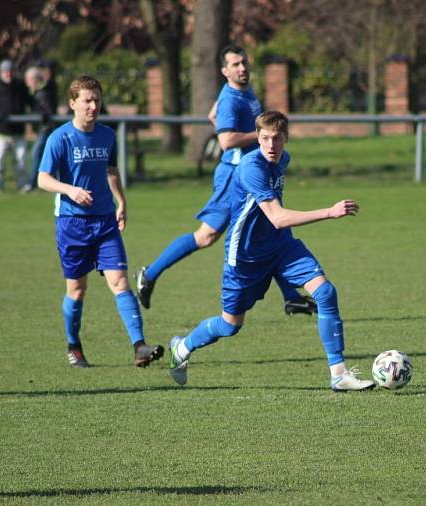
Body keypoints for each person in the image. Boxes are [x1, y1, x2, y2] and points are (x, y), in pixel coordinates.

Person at [166, 111, 375, 392]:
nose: (271, 145)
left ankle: (339, 373)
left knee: (325, 293)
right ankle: (183, 347)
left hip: (281, 246)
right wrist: (329, 212)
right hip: (245, 257)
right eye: (264, 138)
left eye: (277, 139)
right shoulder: (251, 168)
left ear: (286, 138)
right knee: (230, 325)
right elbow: (276, 216)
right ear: (258, 138)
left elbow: (275, 224)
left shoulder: (282, 160)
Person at [135, 44, 315, 316]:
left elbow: (218, 117)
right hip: (234, 176)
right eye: (235, 65)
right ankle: (150, 273)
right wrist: (265, 134)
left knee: (271, 228)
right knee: (207, 236)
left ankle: (291, 296)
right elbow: (227, 139)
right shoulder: (231, 97)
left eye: (244, 62)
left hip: (252, 172)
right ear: (224, 71)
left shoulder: (246, 92)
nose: (242, 68)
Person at [37, 75, 163, 369]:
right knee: (77, 289)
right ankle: (74, 346)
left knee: (119, 281)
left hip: (105, 222)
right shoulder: (60, 138)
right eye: (87, 100)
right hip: (72, 224)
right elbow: (43, 179)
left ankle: (139, 347)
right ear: (73, 104)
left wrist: (121, 201)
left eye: (97, 100)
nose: (93, 106)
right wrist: (70, 190)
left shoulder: (107, 135)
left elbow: (111, 170)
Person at [0, 59, 30, 192]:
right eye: (5, 71)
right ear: (1, 73)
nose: (8, 74)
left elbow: (30, 102)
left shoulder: (21, 86)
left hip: (18, 132)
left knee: (21, 162)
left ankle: (22, 186)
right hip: (1, 132)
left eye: (10, 71)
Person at [21, 63, 58, 192]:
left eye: (29, 80)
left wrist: (41, 117)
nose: (27, 83)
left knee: (37, 154)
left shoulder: (43, 92)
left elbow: (47, 111)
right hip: (44, 130)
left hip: (46, 130)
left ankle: (33, 183)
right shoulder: (36, 92)